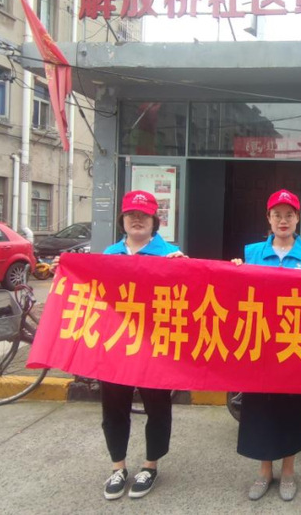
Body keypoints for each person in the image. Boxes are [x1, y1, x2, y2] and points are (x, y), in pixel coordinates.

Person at [231, 189, 301, 502]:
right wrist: (233, 271)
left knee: (292, 409)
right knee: (260, 409)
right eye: (277, 215)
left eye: (289, 215)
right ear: (268, 219)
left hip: (296, 346)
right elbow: (238, 294)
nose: (283, 221)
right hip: (260, 345)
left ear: (297, 219)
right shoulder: (252, 253)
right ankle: (263, 472)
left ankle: (288, 472)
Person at [99, 190, 186, 500]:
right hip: (116, 345)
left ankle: (150, 465)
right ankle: (118, 467)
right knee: (113, 407)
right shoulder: (108, 255)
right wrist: (65, 268)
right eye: (131, 215)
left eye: (143, 215)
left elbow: (188, 298)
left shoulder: (171, 254)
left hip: (155, 347)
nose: (137, 220)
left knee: (158, 407)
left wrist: (184, 268)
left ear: (154, 221)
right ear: (122, 220)